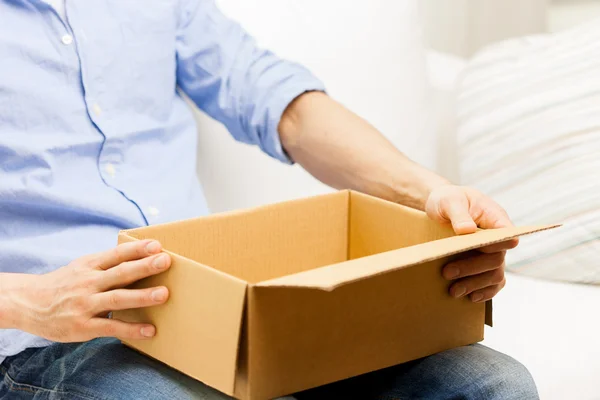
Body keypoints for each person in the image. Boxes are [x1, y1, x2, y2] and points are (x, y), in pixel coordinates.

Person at [0, 1, 538, 399]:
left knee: (493, 387)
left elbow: (278, 102)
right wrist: (27, 299)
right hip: (51, 344)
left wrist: (432, 194)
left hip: (219, 316)